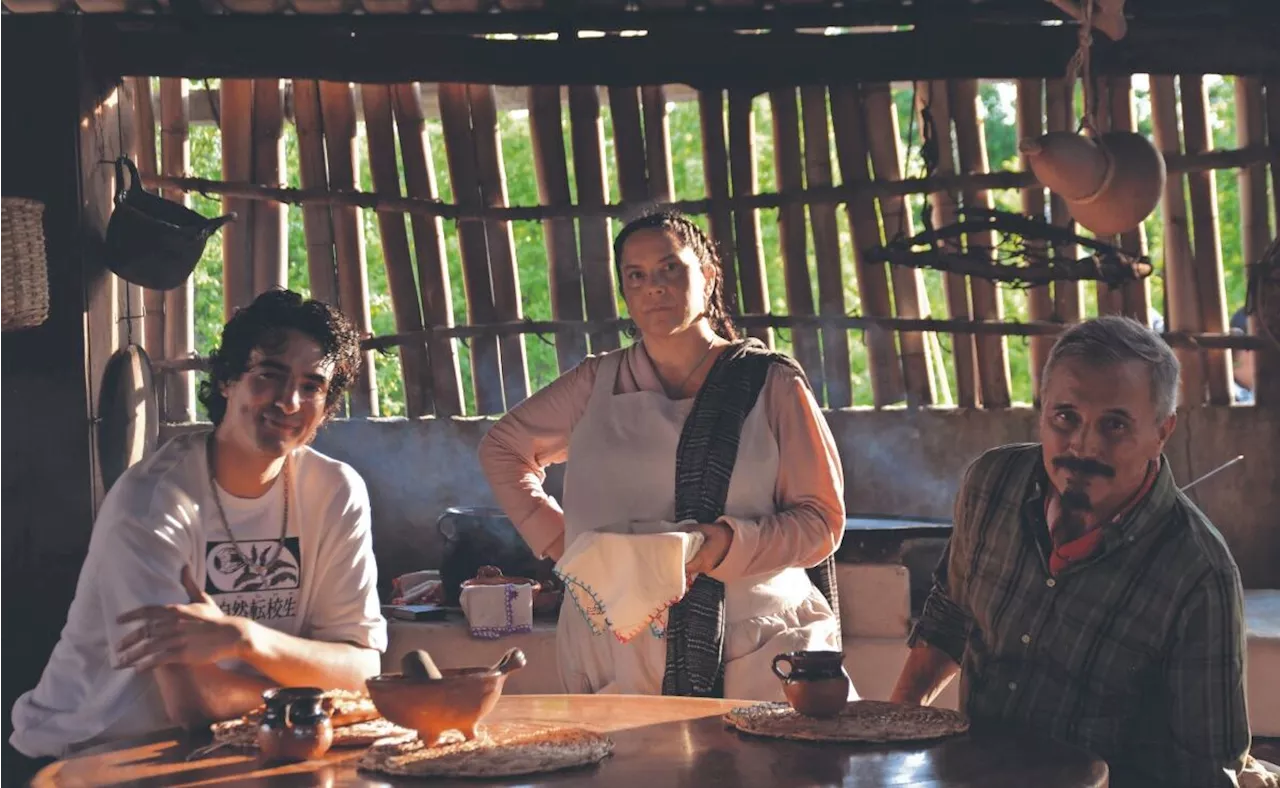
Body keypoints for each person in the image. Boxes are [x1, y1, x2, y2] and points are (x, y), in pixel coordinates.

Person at [479, 209, 846, 699]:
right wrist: (568, 546)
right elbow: (503, 448)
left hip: (755, 642)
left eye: (670, 268)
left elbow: (821, 522)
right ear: (625, 292)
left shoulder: (768, 383)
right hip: (612, 646)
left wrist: (725, 544)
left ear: (708, 275)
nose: (654, 286)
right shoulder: (596, 384)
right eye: (637, 275)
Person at [11, 289, 386, 761]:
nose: (290, 401)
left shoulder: (336, 491)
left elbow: (362, 668)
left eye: (312, 385)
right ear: (228, 379)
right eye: (269, 375)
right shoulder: (152, 504)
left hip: (232, 746)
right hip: (90, 752)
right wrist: (328, 691)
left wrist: (242, 638)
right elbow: (193, 702)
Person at [890, 316, 1250, 787]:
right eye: (1066, 418)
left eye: (1115, 425)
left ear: (1162, 432)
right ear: (1042, 411)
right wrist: (890, 736)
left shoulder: (1198, 573)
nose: (1084, 445)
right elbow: (951, 615)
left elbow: (1205, 772)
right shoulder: (990, 486)